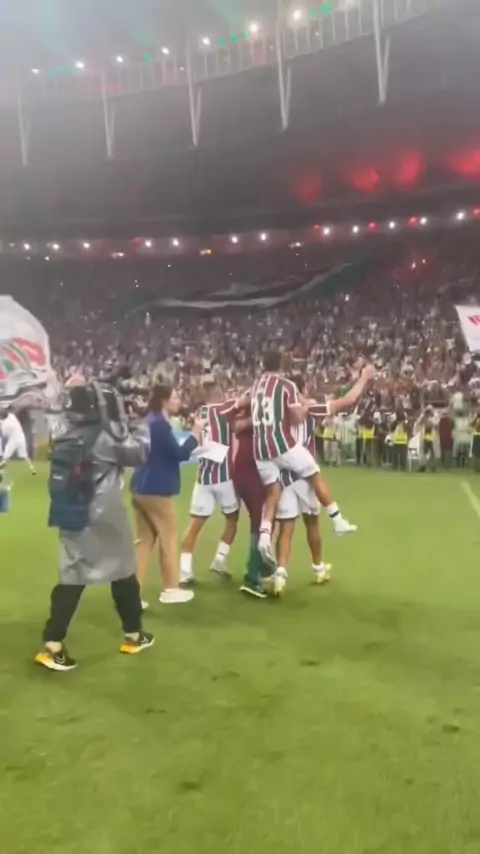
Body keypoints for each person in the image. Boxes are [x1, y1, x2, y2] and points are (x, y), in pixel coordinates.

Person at [35, 380, 152, 672]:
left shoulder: (65, 431)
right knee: (121, 570)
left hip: (70, 511)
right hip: (103, 516)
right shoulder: (104, 437)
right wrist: (137, 422)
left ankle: (55, 642)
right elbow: (139, 454)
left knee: (76, 574)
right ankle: (131, 635)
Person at [251, 351, 375, 565]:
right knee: (312, 521)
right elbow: (346, 400)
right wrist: (363, 378)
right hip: (298, 467)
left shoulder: (260, 389)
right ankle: (333, 531)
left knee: (286, 526)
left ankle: (278, 568)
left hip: (279, 471)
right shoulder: (301, 402)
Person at [132, 383, 203, 607]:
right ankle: (171, 588)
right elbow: (179, 454)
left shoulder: (149, 422)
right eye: (175, 398)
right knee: (169, 538)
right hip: (158, 489)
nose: (178, 401)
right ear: (164, 401)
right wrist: (195, 434)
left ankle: (131, 594)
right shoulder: (161, 426)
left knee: (143, 542)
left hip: (140, 487)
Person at [180, 381, 240, 585]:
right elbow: (244, 402)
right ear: (219, 394)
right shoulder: (224, 409)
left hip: (203, 478)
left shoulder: (199, 414)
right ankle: (220, 560)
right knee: (232, 519)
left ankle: (184, 571)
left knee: (195, 525)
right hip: (224, 477)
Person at [0, 408, 36, 476]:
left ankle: (2, 467)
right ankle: (32, 469)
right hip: (21, 438)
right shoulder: (12, 417)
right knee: (25, 456)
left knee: (6, 456)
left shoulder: (5, 425)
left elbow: (5, 434)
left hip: (13, 440)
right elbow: (9, 413)